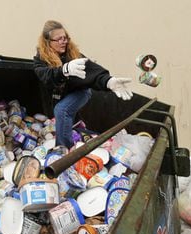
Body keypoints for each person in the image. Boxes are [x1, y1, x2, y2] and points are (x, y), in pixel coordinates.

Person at [33, 20, 133, 148]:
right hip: (60, 95)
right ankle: (79, 135)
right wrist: (64, 70)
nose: (64, 41)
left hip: (80, 91)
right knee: (66, 118)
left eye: (65, 38)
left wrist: (109, 81)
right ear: (47, 42)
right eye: (58, 39)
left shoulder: (74, 56)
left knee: (62, 110)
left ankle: (64, 152)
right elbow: (46, 75)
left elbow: (93, 72)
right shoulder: (40, 59)